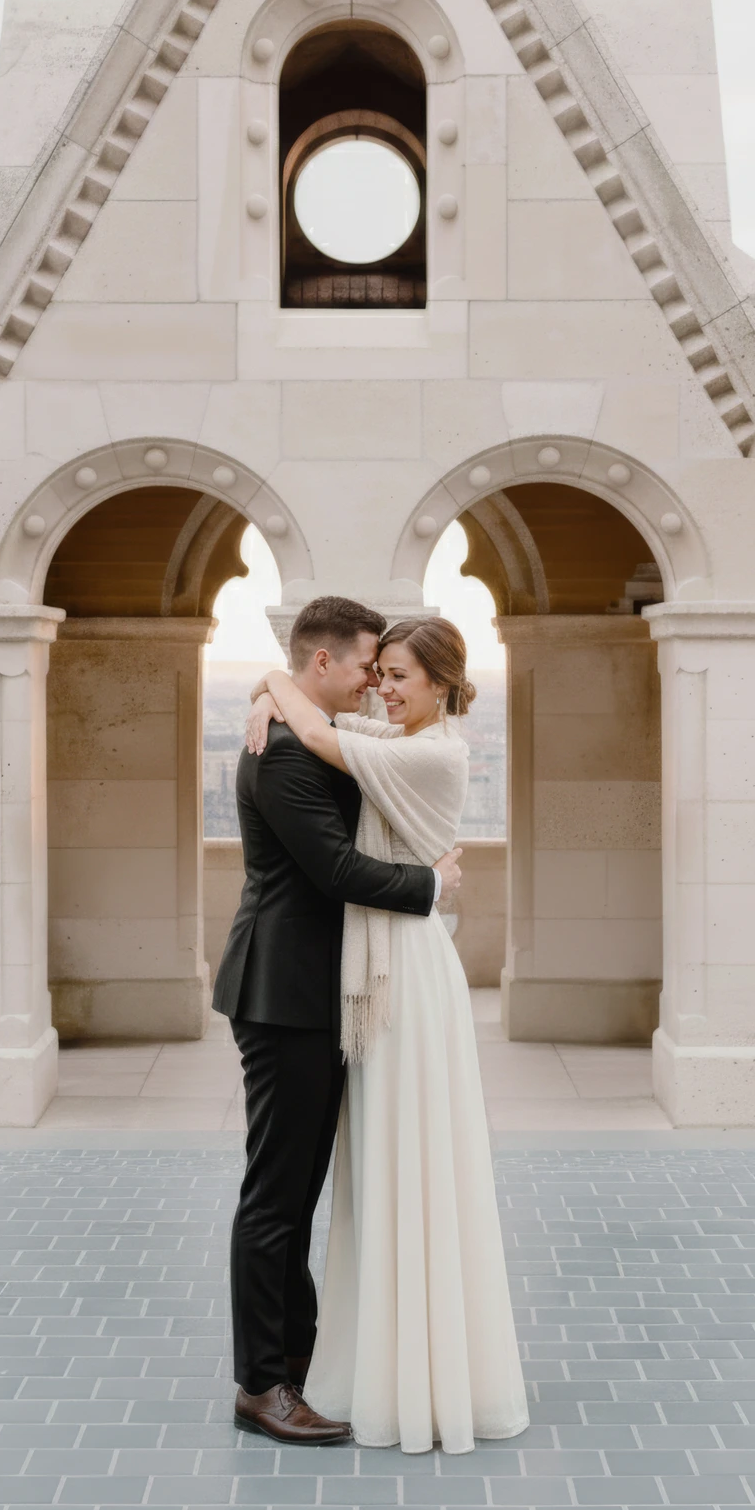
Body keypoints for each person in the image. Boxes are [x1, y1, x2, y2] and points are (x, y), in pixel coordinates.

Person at [246, 616, 529, 1455]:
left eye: (400, 674)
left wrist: (275, 694)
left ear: (440, 683)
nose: (385, 688)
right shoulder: (390, 732)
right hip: (376, 973)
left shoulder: (430, 751)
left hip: (405, 975)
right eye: (381, 672)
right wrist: (267, 688)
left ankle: (412, 1370)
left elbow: (318, 734)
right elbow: (316, 717)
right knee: (376, 1170)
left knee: (411, 1165)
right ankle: (373, 1358)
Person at [212, 596, 464, 1445]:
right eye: (365, 666)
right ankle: (260, 1385)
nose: (373, 682)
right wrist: (430, 886)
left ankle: (297, 1364)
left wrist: (269, 686)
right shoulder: (282, 750)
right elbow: (330, 869)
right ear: (323, 665)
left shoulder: (300, 726)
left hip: (316, 996)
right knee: (277, 1197)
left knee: (299, 1191)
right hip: (285, 997)